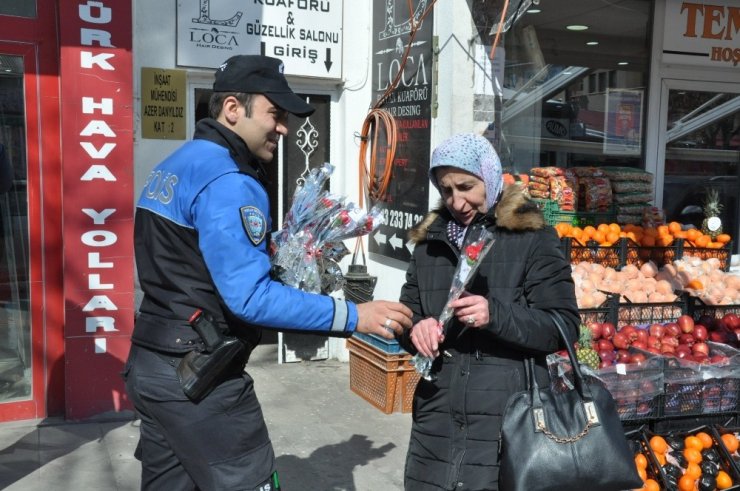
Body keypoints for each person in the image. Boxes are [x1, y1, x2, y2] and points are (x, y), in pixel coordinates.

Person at [124, 54, 413, 491]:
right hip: (200, 377)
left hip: (151, 364)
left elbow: (187, 263)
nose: (284, 128)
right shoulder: (230, 179)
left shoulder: (173, 165)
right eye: (275, 114)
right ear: (232, 109)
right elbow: (250, 297)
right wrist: (355, 316)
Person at [397, 133, 579, 491]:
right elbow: (408, 312)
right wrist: (414, 329)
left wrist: (496, 315)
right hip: (438, 416)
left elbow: (564, 325)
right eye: (446, 190)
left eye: (466, 186)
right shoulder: (429, 244)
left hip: (507, 420)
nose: (457, 201)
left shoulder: (532, 237)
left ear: (490, 175)